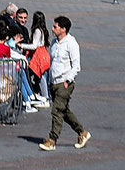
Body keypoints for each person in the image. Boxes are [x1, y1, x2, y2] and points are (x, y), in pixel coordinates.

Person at [37, 15, 88, 151]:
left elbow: (76, 66)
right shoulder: (54, 43)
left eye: (55, 27)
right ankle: (82, 132)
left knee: (56, 111)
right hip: (53, 82)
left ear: (63, 29)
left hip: (64, 83)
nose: (53, 29)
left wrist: (67, 80)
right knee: (64, 111)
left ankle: (52, 140)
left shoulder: (71, 43)